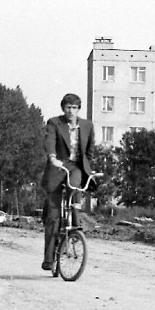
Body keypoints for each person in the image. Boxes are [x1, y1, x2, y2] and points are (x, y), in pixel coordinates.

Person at [40, 93, 95, 271]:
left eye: (74, 108)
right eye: (68, 107)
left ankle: (75, 225)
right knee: (53, 216)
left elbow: (89, 151)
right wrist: (52, 157)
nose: (71, 111)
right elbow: (50, 141)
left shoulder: (87, 125)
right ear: (63, 108)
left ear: (79, 109)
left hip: (75, 167)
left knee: (75, 187)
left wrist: (89, 167)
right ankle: (49, 259)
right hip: (58, 167)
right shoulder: (55, 122)